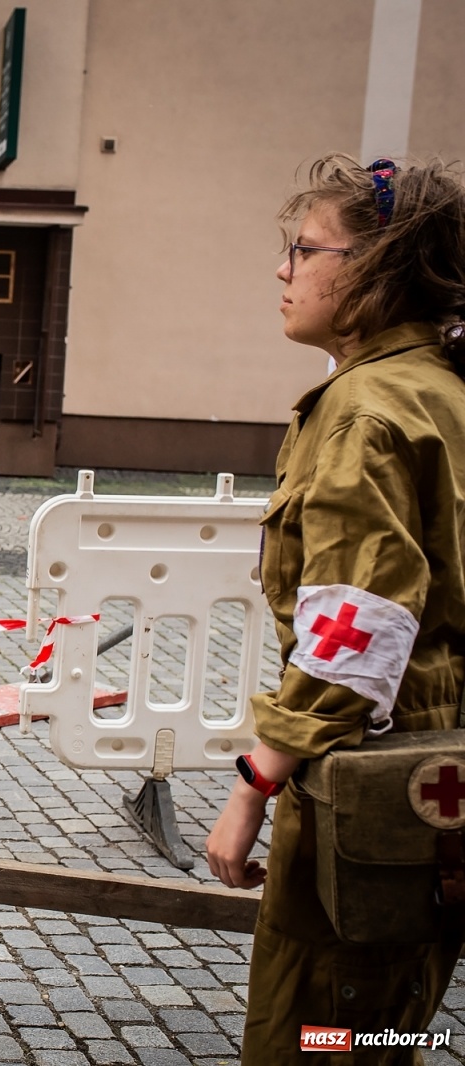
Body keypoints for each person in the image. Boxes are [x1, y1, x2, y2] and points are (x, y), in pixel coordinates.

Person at [203, 155, 465, 1061]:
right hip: (432, 780)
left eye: (304, 248)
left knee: (317, 1037)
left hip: (371, 788)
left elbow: (358, 633)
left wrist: (252, 784)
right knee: (383, 1024)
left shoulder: (366, 412)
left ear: (378, 267)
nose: (283, 269)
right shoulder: (439, 389)